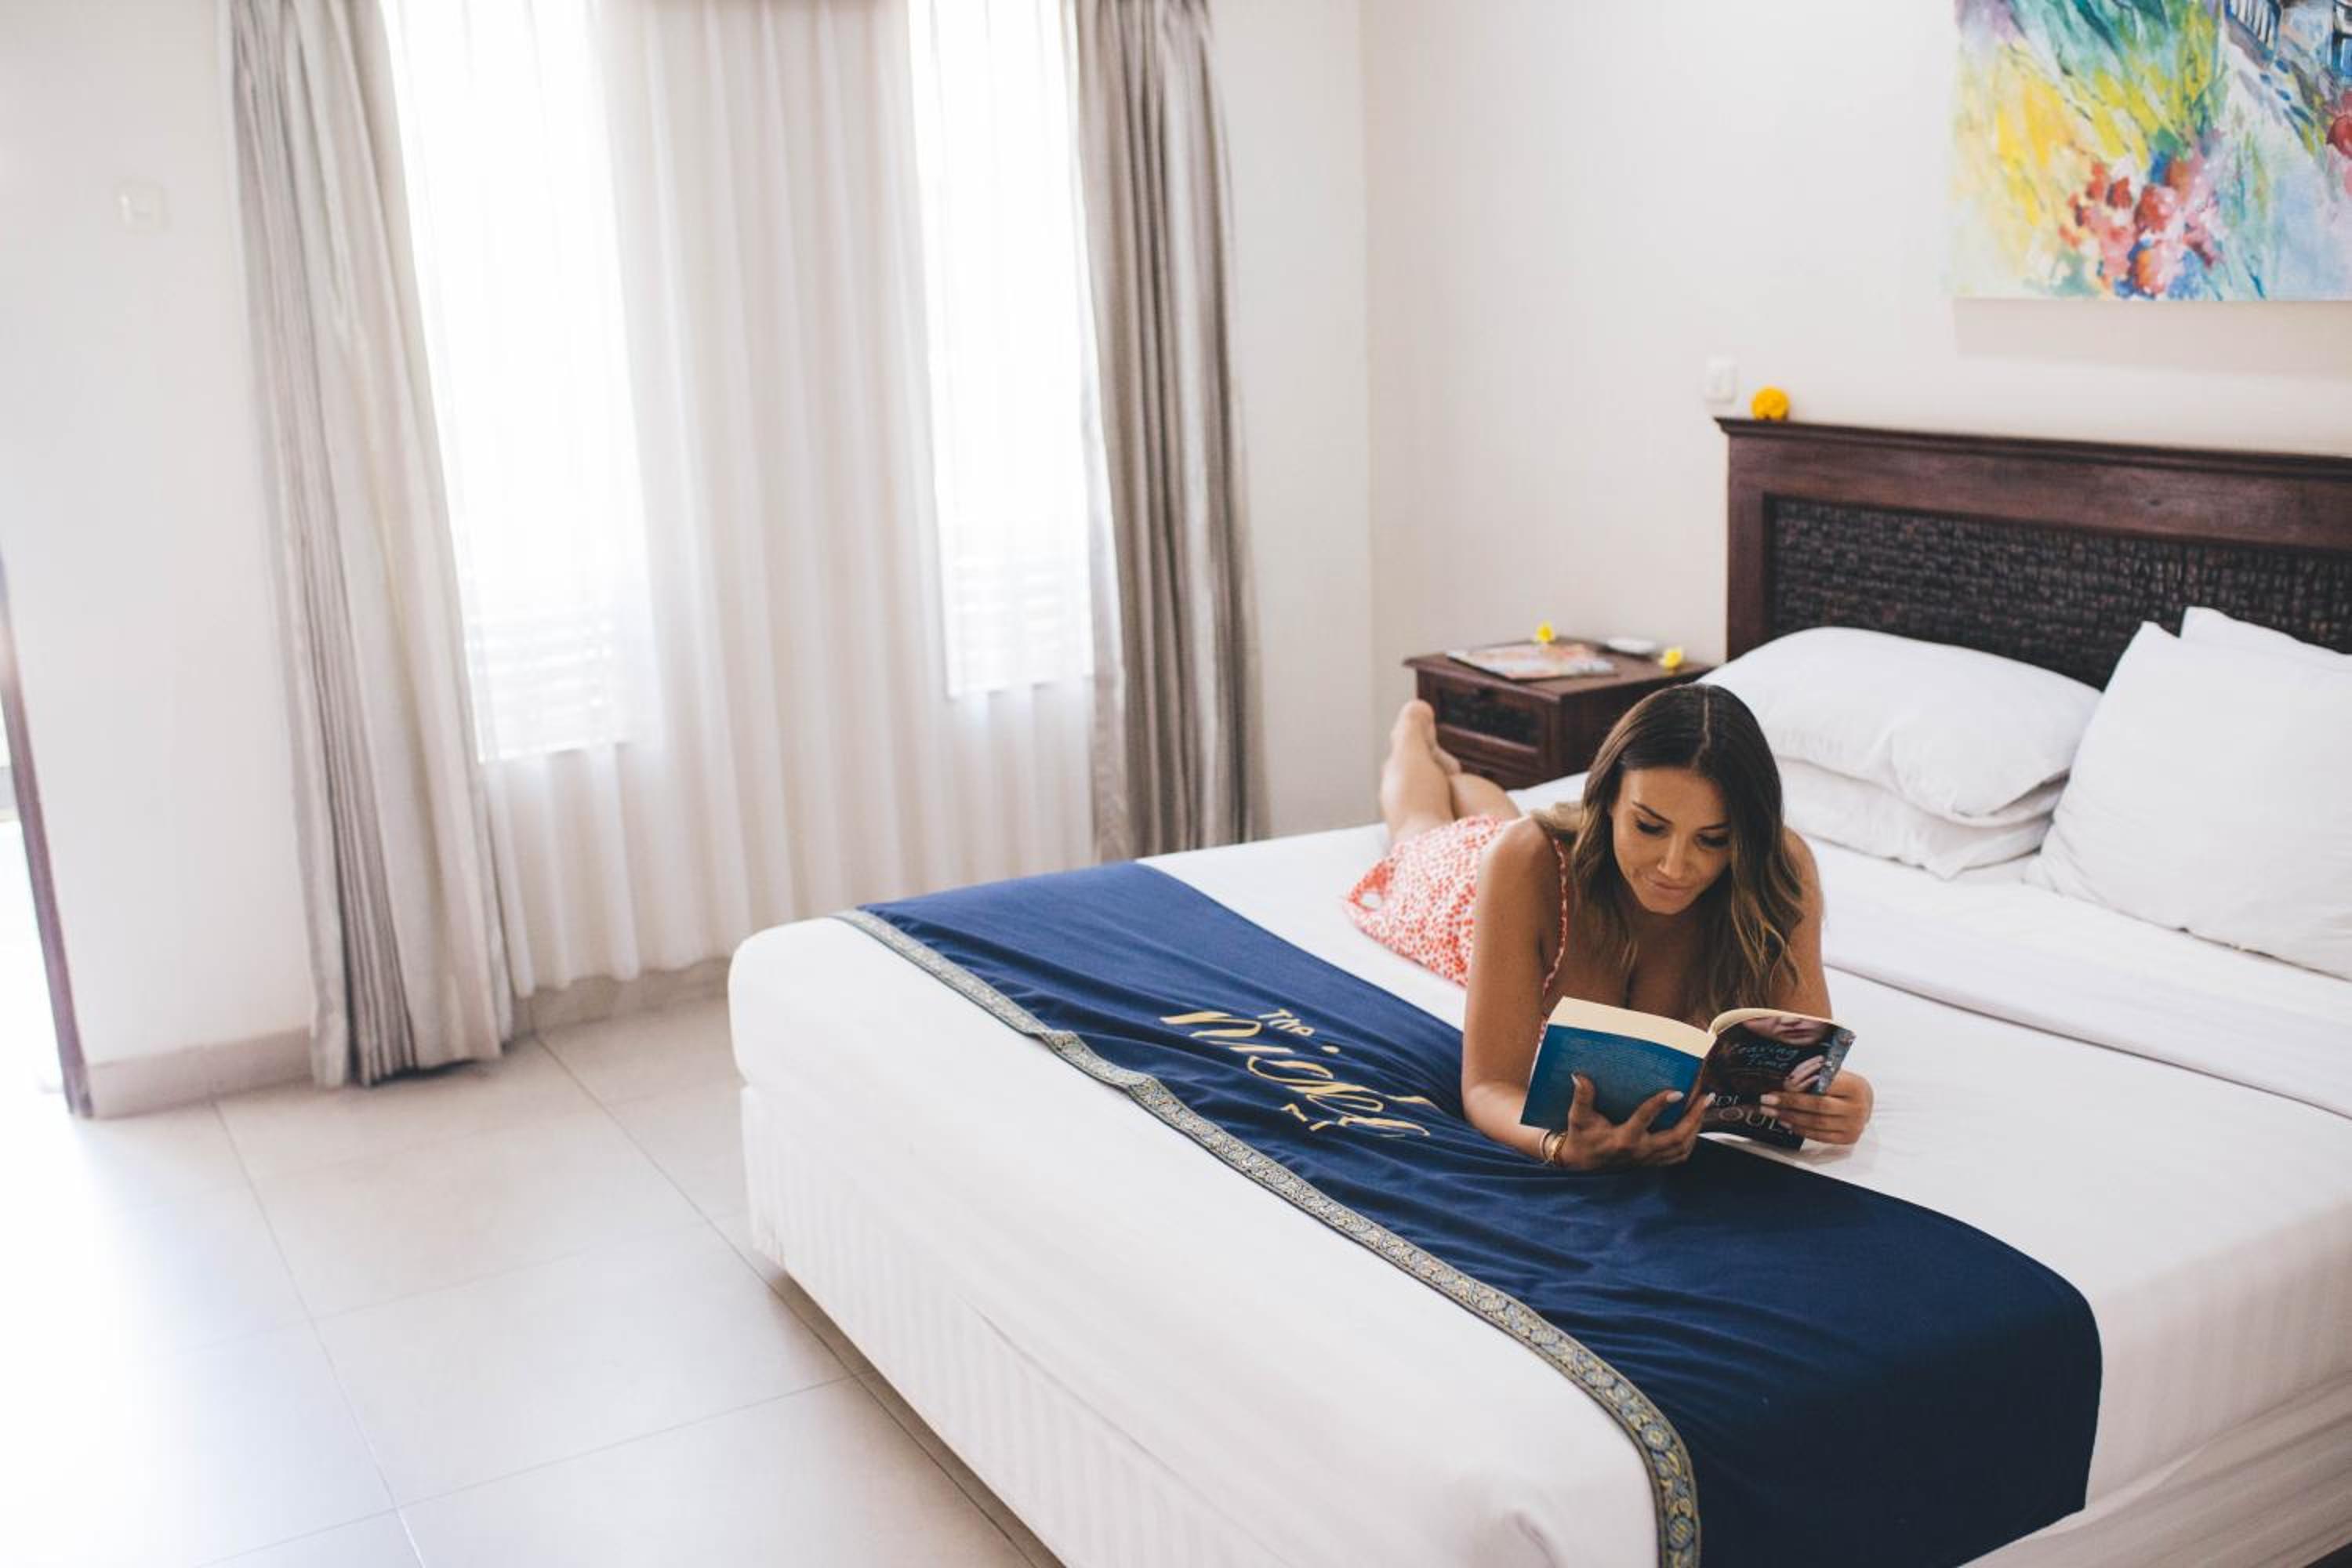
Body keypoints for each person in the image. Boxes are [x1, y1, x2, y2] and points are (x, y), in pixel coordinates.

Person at [1344, 686, 1875, 1170]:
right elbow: (1487, 1088)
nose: (1674, 867)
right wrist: (1559, 1146)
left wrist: (1845, 1103)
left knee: (1495, 821)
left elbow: (1808, 1058)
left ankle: (1459, 777)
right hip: (1470, 896)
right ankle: (1412, 733)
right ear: (1606, 799)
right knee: (1421, 830)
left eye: (1713, 839)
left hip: (1526, 852)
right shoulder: (1523, 862)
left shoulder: (1778, 871)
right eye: (1649, 826)